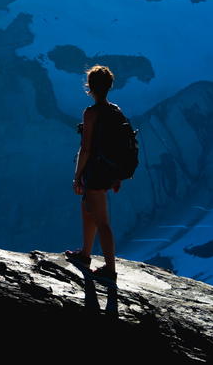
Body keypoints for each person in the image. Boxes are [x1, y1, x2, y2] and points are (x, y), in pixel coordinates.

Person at [65, 65, 123, 280]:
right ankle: (85, 254)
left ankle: (110, 269)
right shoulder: (116, 111)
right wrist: (117, 175)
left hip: (95, 171)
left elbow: (86, 148)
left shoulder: (91, 113)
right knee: (87, 208)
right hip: (108, 170)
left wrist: (77, 175)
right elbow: (119, 147)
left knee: (102, 221)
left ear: (90, 87)